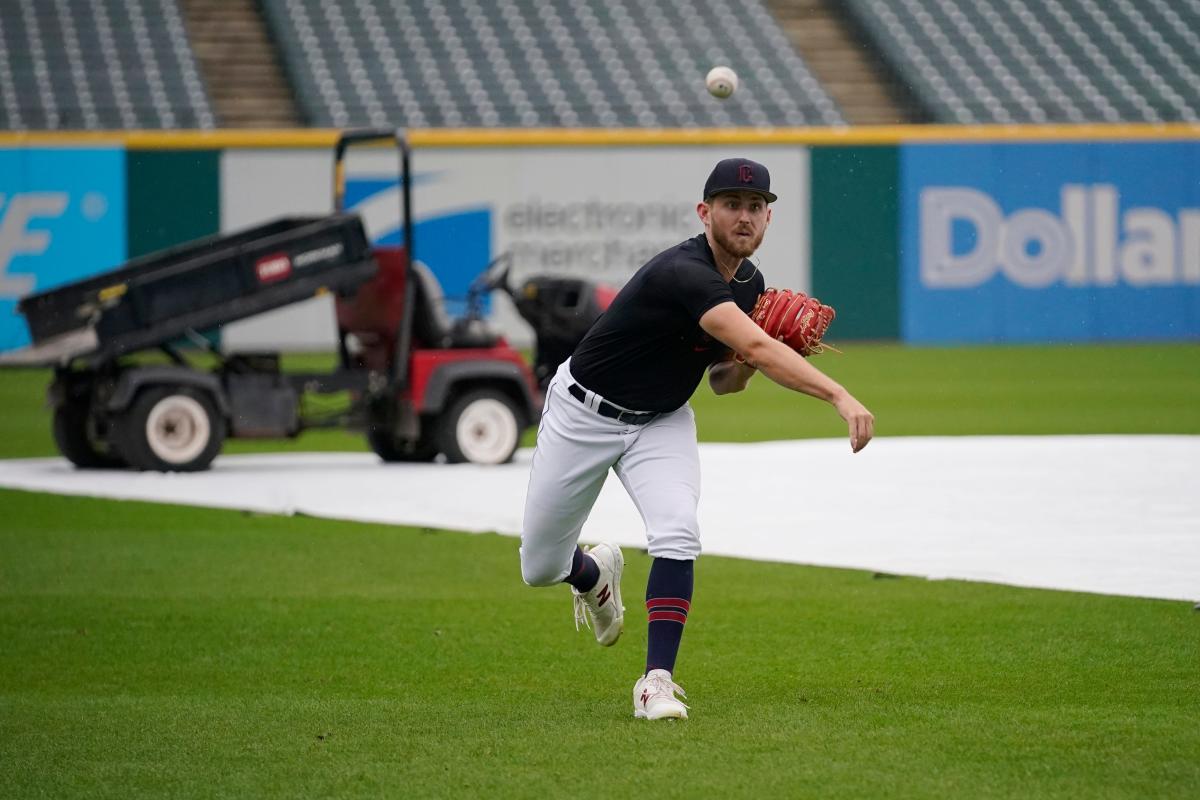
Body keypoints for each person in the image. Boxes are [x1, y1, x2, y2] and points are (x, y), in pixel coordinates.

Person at [518, 157, 874, 720]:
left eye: (756, 207)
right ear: (704, 213)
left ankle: (655, 683)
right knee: (539, 567)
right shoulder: (683, 271)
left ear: (767, 219)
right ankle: (594, 574)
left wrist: (750, 359)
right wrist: (836, 394)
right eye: (731, 205)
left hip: (660, 419)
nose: (745, 216)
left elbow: (726, 380)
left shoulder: (749, 284)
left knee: (678, 531)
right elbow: (755, 348)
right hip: (583, 414)